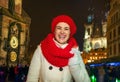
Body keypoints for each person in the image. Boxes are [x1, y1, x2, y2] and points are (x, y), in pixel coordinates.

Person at [26, 15, 90, 82]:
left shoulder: (74, 52)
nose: (62, 32)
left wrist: (74, 64)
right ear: (54, 31)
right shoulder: (41, 49)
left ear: (70, 32)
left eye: (66, 29)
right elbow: (32, 78)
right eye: (59, 28)